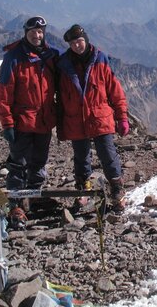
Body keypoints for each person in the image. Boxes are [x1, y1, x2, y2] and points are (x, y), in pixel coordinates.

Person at [56, 24, 130, 212]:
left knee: (107, 154)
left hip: (100, 118)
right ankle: (83, 189)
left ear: (86, 40)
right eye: (73, 43)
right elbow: (59, 97)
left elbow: (115, 92)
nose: (77, 46)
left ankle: (117, 189)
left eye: (79, 41)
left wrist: (122, 117)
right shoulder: (63, 64)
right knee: (81, 157)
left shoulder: (100, 60)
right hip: (76, 120)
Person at [0, 16, 59, 229]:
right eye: (33, 31)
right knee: (18, 165)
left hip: (43, 121)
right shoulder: (14, 58)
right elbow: (3, 94)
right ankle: (15, 205)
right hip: (22, 122)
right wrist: (7, 124)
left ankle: (33, 196)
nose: (37, 35)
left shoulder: (51, 56)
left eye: (40, 31)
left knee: (39, 162)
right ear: (25, 32)